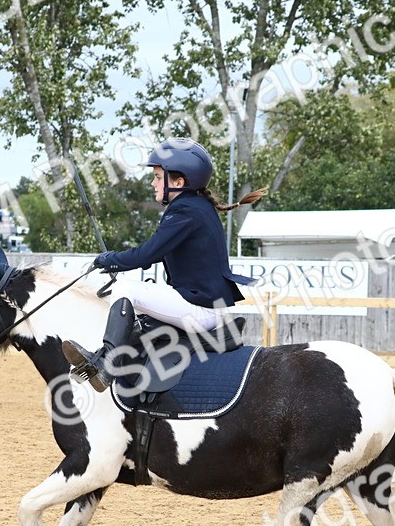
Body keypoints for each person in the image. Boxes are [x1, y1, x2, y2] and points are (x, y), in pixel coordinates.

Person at [62, 138, 266, 391]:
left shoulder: (185, 211)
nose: (153, 183)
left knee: (127, 290)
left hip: (201, 309)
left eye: (158, 177)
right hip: (207, 305)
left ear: (179, 182)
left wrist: (108, 259)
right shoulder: (194, 206)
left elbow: (145, 255)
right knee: (143, 307)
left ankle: (106, 362)